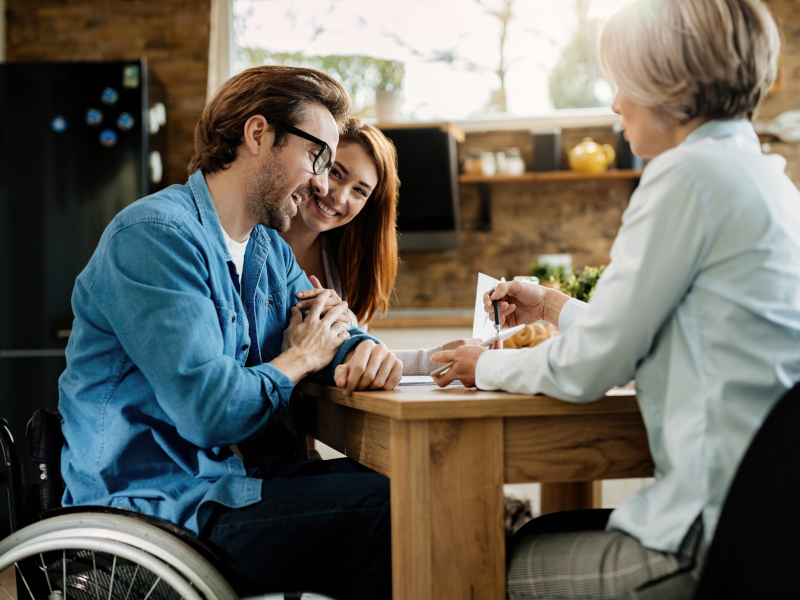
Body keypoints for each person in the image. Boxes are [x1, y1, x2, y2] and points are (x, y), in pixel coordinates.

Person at [432, 0, 800, 598]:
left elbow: (590, 367)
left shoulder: (686, 177)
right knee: (532, 531)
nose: (614, 104)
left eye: (621, 83)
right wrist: (552, 306)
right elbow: (640, 333)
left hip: (706, 542)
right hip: (767, 529)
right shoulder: (764, 179)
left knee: (465, 563)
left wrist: (485, 365)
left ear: (667, 81)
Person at [59, 66, 401, 599]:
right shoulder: (155, 236)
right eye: (317, 156)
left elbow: (330, 327)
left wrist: (365, 350)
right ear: (258, 133)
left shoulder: (267, 251)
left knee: (404, 490)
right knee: (392, 512)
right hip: (158, 510)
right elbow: (210, 412)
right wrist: (300, 357)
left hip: (230, 487)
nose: (321, 182)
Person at [280, 117, 481, 376]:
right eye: (336, 172)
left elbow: (356, 360)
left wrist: (440, 357)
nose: (339, 196)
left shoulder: (347, 267)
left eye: (360, 191)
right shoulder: (250, 242)